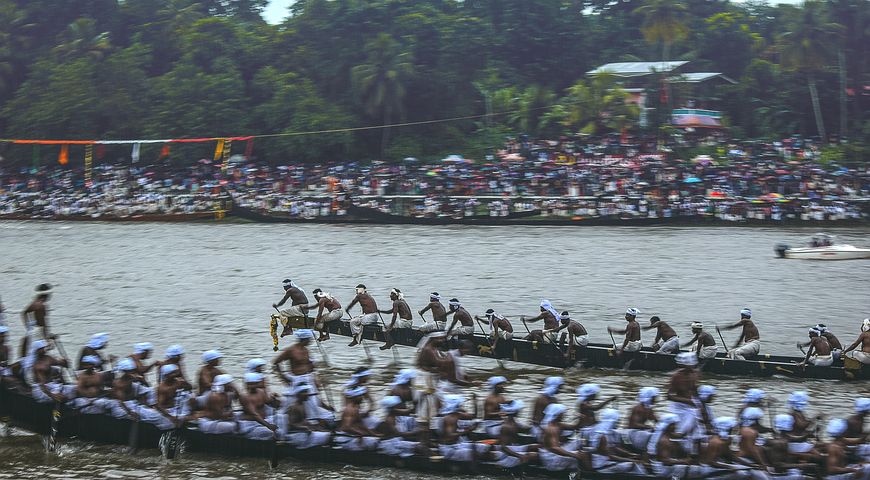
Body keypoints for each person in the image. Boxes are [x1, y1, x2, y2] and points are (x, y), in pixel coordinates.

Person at [273, 329, 332, 424]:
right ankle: (289, 420)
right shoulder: (291, 350)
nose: (311, 341)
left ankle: (313, 420)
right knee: (293, 400)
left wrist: (317, 377)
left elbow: (309, 366)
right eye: (309, 339)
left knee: (313, 399)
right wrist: (283, 376)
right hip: (296, 379)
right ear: (304, 339)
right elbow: (276, 362)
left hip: (308, 379)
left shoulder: (306, 350)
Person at [587, 408, 646, 475]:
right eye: (616, 421)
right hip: (602, 467)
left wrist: (630, 454)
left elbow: (614, 447)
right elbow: (610, 456)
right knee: (633, 465)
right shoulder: (602, 436)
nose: (618, 422)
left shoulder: (607, 432)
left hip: (608, 462)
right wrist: (632, 460)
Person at [437, 393, 487, 462]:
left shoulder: (457, 414)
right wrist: (468, 430)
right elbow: (451, 435)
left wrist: (475, 401)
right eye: (459, 404)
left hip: (457, 445)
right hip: (449, 449)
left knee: (484, 447)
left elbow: (473, 416)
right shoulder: (449, 418)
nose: (461, 405)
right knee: (475, 453)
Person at [667, 352, 700, 453]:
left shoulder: (695, 374)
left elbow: (695, 391)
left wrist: (699, 403)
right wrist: (687, 401)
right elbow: (669, 396)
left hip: (691, 407)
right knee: (679, 432)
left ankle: (693, 453)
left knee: (696, 431)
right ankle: (675, 451)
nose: (693, 367)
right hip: (678, 408)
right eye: (690, 365)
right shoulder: (676, 376)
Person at [488, 400, 537, 468]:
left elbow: (524, 429)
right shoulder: (506, 426)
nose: (520, 411)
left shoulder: (514, 422)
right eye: (519, 410)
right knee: (533, 455)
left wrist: (534, 425)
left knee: (537, 446)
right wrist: (519, 456)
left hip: (513, 447)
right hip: (505, 452)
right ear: (516, 412)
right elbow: (503, 447)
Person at [539, 403, 588, 471]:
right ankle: (589, 472)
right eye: (562, 413)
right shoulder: (551, 429)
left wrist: (580, 418)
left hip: (555, 452)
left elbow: (576, 427)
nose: (564, 415)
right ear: (558, 415)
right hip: (552, 460)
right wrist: (575, 455)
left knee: (580, 441)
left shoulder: (558, 424)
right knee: (582, 455)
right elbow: (555, 448)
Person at [285, 384, 333, 448]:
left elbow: (304, 422)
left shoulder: (303, 405)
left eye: (307, 392)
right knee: (329, 436)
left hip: (304, 433)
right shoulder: (294, 407)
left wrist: (316, 427)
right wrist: (305, 428)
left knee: (327, 431)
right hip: (297, 435)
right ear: (299, 394)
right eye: (305, 392)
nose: (307, 394)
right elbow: (291, 425)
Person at [335, 385, 380, 451]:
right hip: (346, 438)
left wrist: (372, 433)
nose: (362, 398)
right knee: (374, 443)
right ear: (354, 397)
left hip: (354, 436)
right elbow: (346, 427)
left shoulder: (356, 408)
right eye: (359, 396)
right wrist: (360, 433)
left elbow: (360, 423)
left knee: (375, 440)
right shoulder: (350, 409)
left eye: (361, 395)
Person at [237, 372, 279, 440]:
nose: (252, 386)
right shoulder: (244, 396)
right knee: (269, 432)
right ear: (246, 384)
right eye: (250, 384)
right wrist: (268, 425)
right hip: (250, 424)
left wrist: (274, 399)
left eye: (254, 384)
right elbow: (254, 414)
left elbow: (269, 402)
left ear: (257, 383)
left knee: (282, 419)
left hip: (264, 421)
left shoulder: (261, 391)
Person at [153, 363, 194, 430]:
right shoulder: (162, 388)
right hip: (169, 411)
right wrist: (171, 417)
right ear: (166, 375)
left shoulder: (178, 382)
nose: (176, 375)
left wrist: (185, 383)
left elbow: (190, 387)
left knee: (192, 397)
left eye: (175, 373)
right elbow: (159, 406)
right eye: (173, 373)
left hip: (178, 406)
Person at [20, 283, 53, 358]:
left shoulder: (33, 304)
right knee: (40, 355)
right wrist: (47, 339)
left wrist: (28, 328)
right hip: (38, 334)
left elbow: (23, 313)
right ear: (46, 295)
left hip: (31, 331)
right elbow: (43, 324)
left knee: (30, 354)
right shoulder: (41, 306)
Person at [624, 386, 658, 453]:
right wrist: (649, 427)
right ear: (649, 398)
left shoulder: (649, 409)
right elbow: (634, 424)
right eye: (654, 398)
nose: (655, 400)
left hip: (639, 432)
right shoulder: (638, 408)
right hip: (629, 433)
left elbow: (656, 420)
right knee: (648, 435)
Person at [387, 369, 417, 434]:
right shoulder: (407, 391)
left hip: (396, 416)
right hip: (401, 417)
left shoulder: (394, 388)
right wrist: (411, 410)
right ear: (408, 379)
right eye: (412, 379)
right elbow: (416, 403)